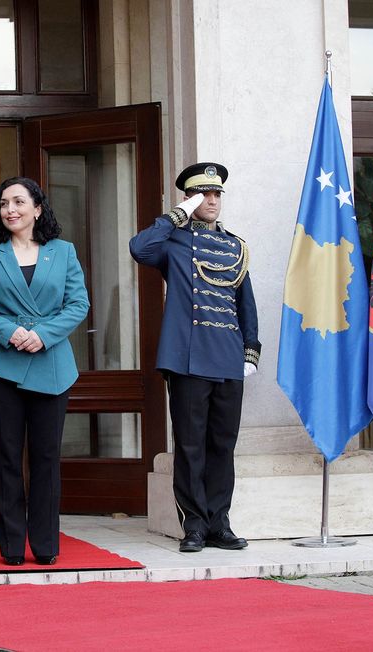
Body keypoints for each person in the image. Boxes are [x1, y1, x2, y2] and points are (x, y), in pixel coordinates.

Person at [129, 162, 259, 553]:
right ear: (191, 198)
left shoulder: (236, 246)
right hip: (187, 358)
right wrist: (177, 214)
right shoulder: (174, 241)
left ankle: (220, 522)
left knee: (223, 444)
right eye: (205, 194)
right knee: (190, 446)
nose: (213, 201)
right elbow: (139, 248)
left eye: (217, 194)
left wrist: (250, 350)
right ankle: (195, 526)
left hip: (227, 357)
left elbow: (245, 303)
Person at [0, 177, 89, 566]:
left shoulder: (63, 251)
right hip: (2, 366)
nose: (10, 209)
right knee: (6, 457)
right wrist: (11, 332)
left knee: (46, 457)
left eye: (18, 201)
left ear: (37, 209)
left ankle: (46, 544)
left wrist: (43, 335)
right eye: (3, 203)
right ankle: (12, 546)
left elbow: (78, 303)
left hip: (51, 365)